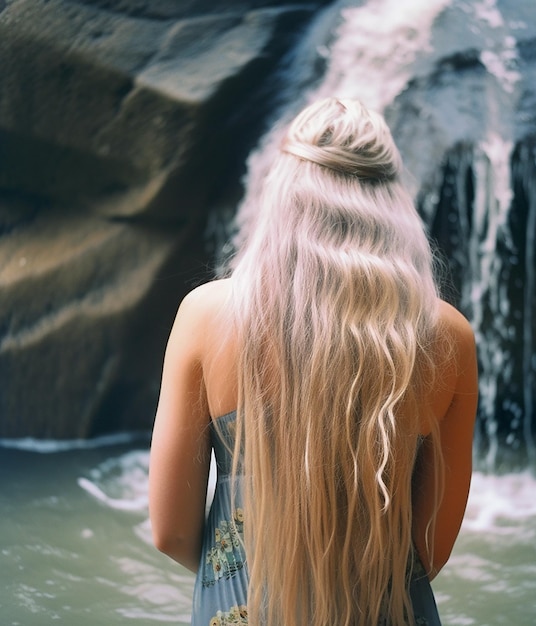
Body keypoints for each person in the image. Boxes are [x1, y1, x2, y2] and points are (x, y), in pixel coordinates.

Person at [149, 97, 478, 626]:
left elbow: (171, 532)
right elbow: (429, 550)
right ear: (395, 203)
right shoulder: (446, 335)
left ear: (280, 193)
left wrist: (247, 571)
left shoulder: (207, 315)